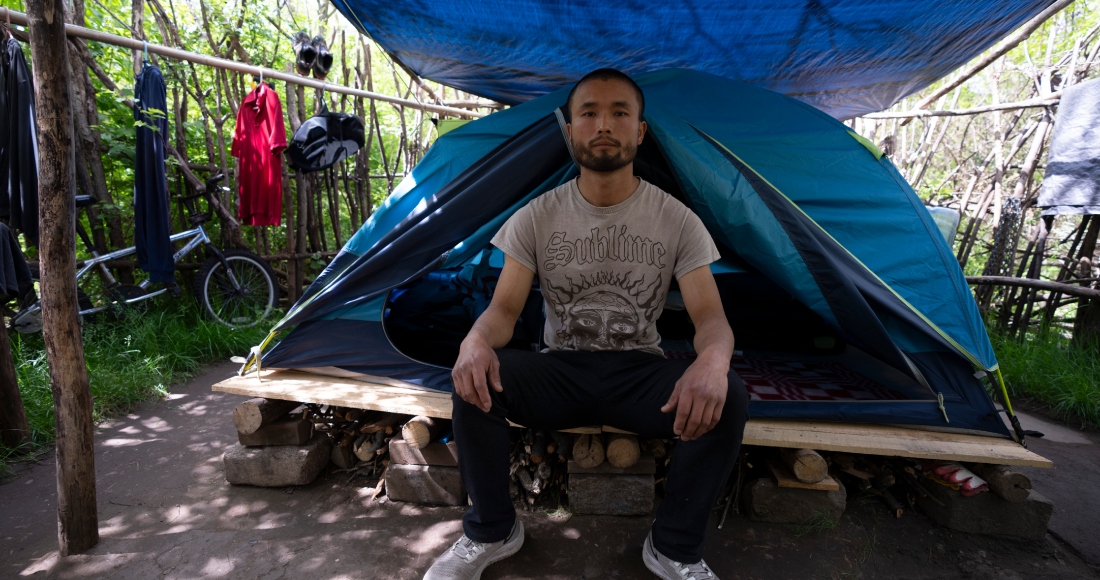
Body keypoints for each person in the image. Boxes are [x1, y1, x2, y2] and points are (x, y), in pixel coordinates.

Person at [424, 68, 749, 580]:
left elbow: (711, 317)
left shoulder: (677, 219)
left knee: (726, 392)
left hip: (640, 372)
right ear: (571, 129)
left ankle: (674, 549)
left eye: (620, 112)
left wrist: (712, 361)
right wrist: (475, 342)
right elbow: (504, 312)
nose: (604, 124)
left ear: (640, 131)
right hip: (560, 370)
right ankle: (491, 531)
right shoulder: (536, 216)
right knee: (472, 380)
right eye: (589, 113)